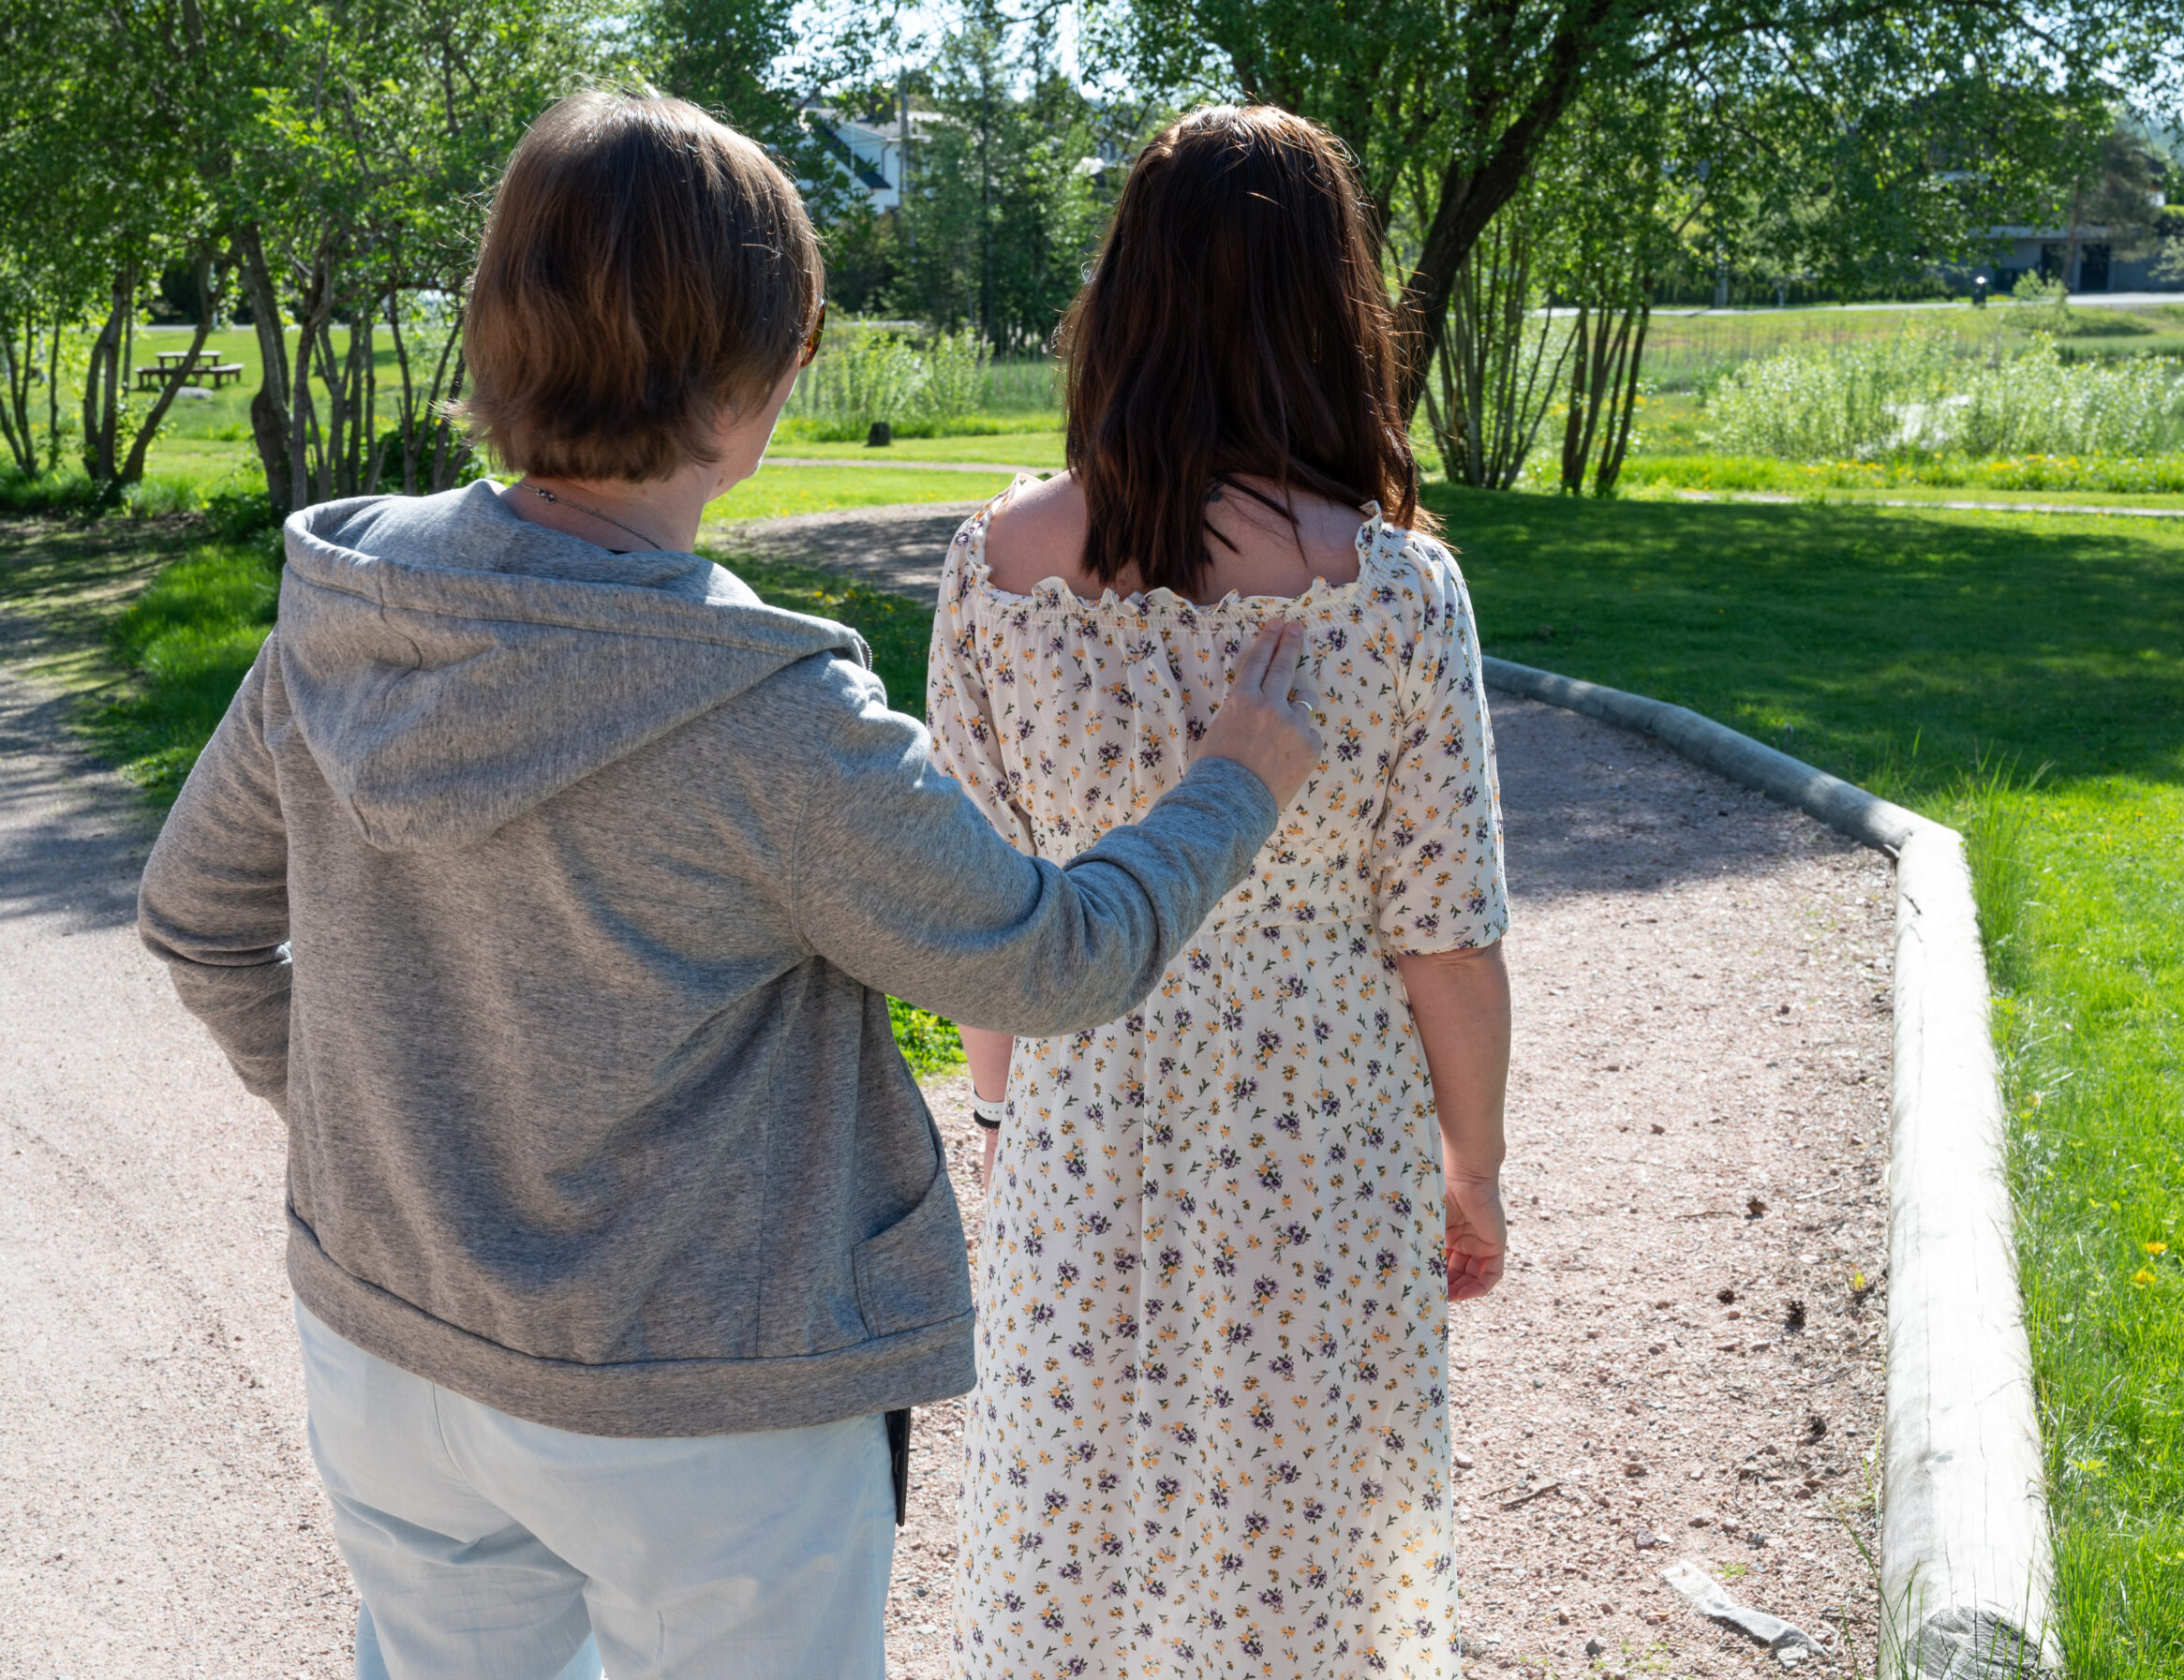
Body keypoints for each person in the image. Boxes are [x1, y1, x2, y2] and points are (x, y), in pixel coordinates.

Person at [134, 91, 1321, 1680]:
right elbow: (1055, 961)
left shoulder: (349, 609)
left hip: (390, 1350)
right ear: (755, 389)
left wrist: (380, 1137)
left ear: (494, 340)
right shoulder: (768, 713)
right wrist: (1238, 775)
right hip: (712, 1410)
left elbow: (194, 917)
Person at [928, 106, 1512, 1679]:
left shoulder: (1001, 565)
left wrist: (1000, 1125)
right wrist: (1478, 1165)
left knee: (1078, 1540)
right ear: (1338, 309)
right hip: (1322, 1137)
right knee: (1304, 1541)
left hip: (1083, 1114)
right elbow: (1444, 933)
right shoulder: (1394, 589)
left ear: (1127, 299)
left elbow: (988, 923)